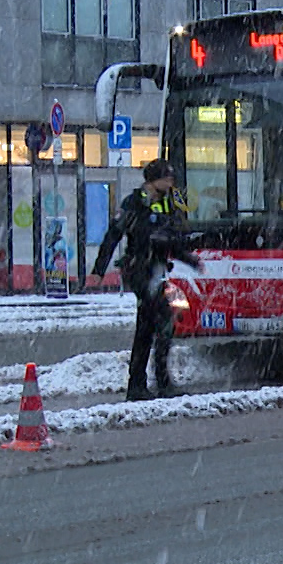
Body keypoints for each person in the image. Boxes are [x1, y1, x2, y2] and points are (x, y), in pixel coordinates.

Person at [88, 159, 202, 401]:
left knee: (148, 328)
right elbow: (113, 236)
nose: (171, 182)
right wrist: (98, 270)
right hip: (141, 271)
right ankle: (157, 382)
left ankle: (140, 384)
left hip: (158, 270)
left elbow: (170, 241)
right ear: (154, 180)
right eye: (167, 178)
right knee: (163, 320)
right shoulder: (135, 203)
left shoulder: (166, 204)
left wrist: (190, 260)